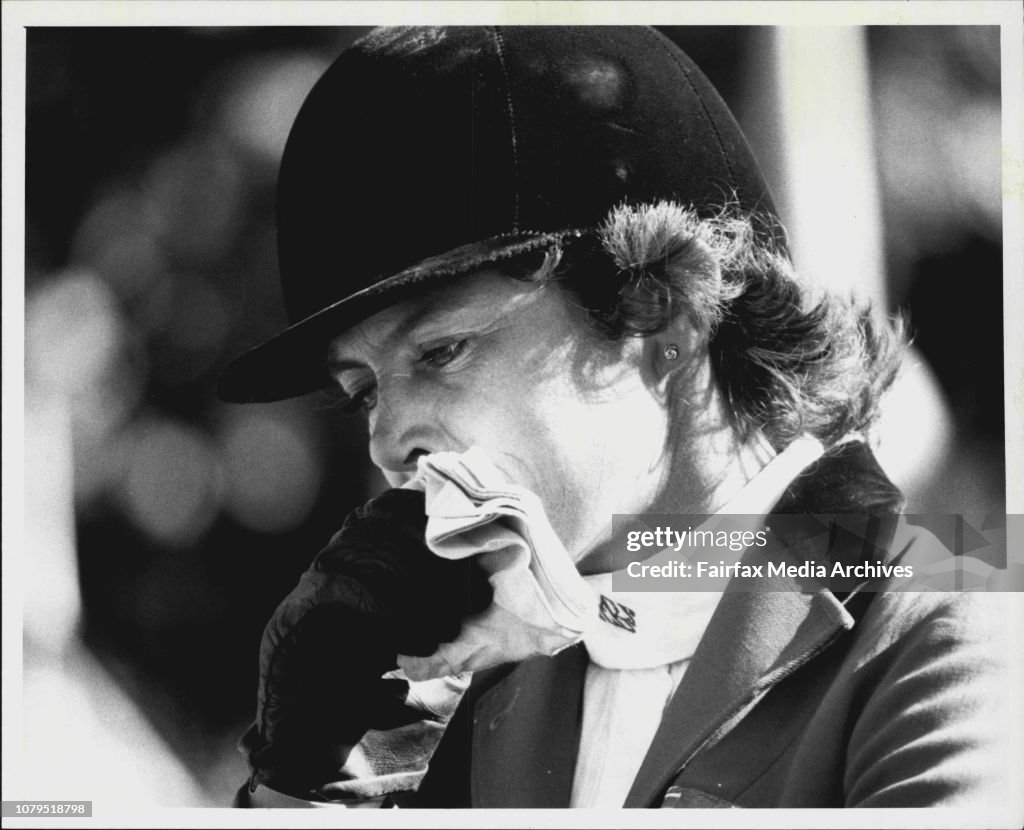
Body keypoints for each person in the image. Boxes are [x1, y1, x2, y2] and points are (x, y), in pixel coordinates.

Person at [219, 26, 1009, 809]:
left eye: (444, 351)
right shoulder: (469, 687)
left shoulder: (965, 610)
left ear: (659, 318)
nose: (390, 442)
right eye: (363, 391)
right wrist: (309, 784)